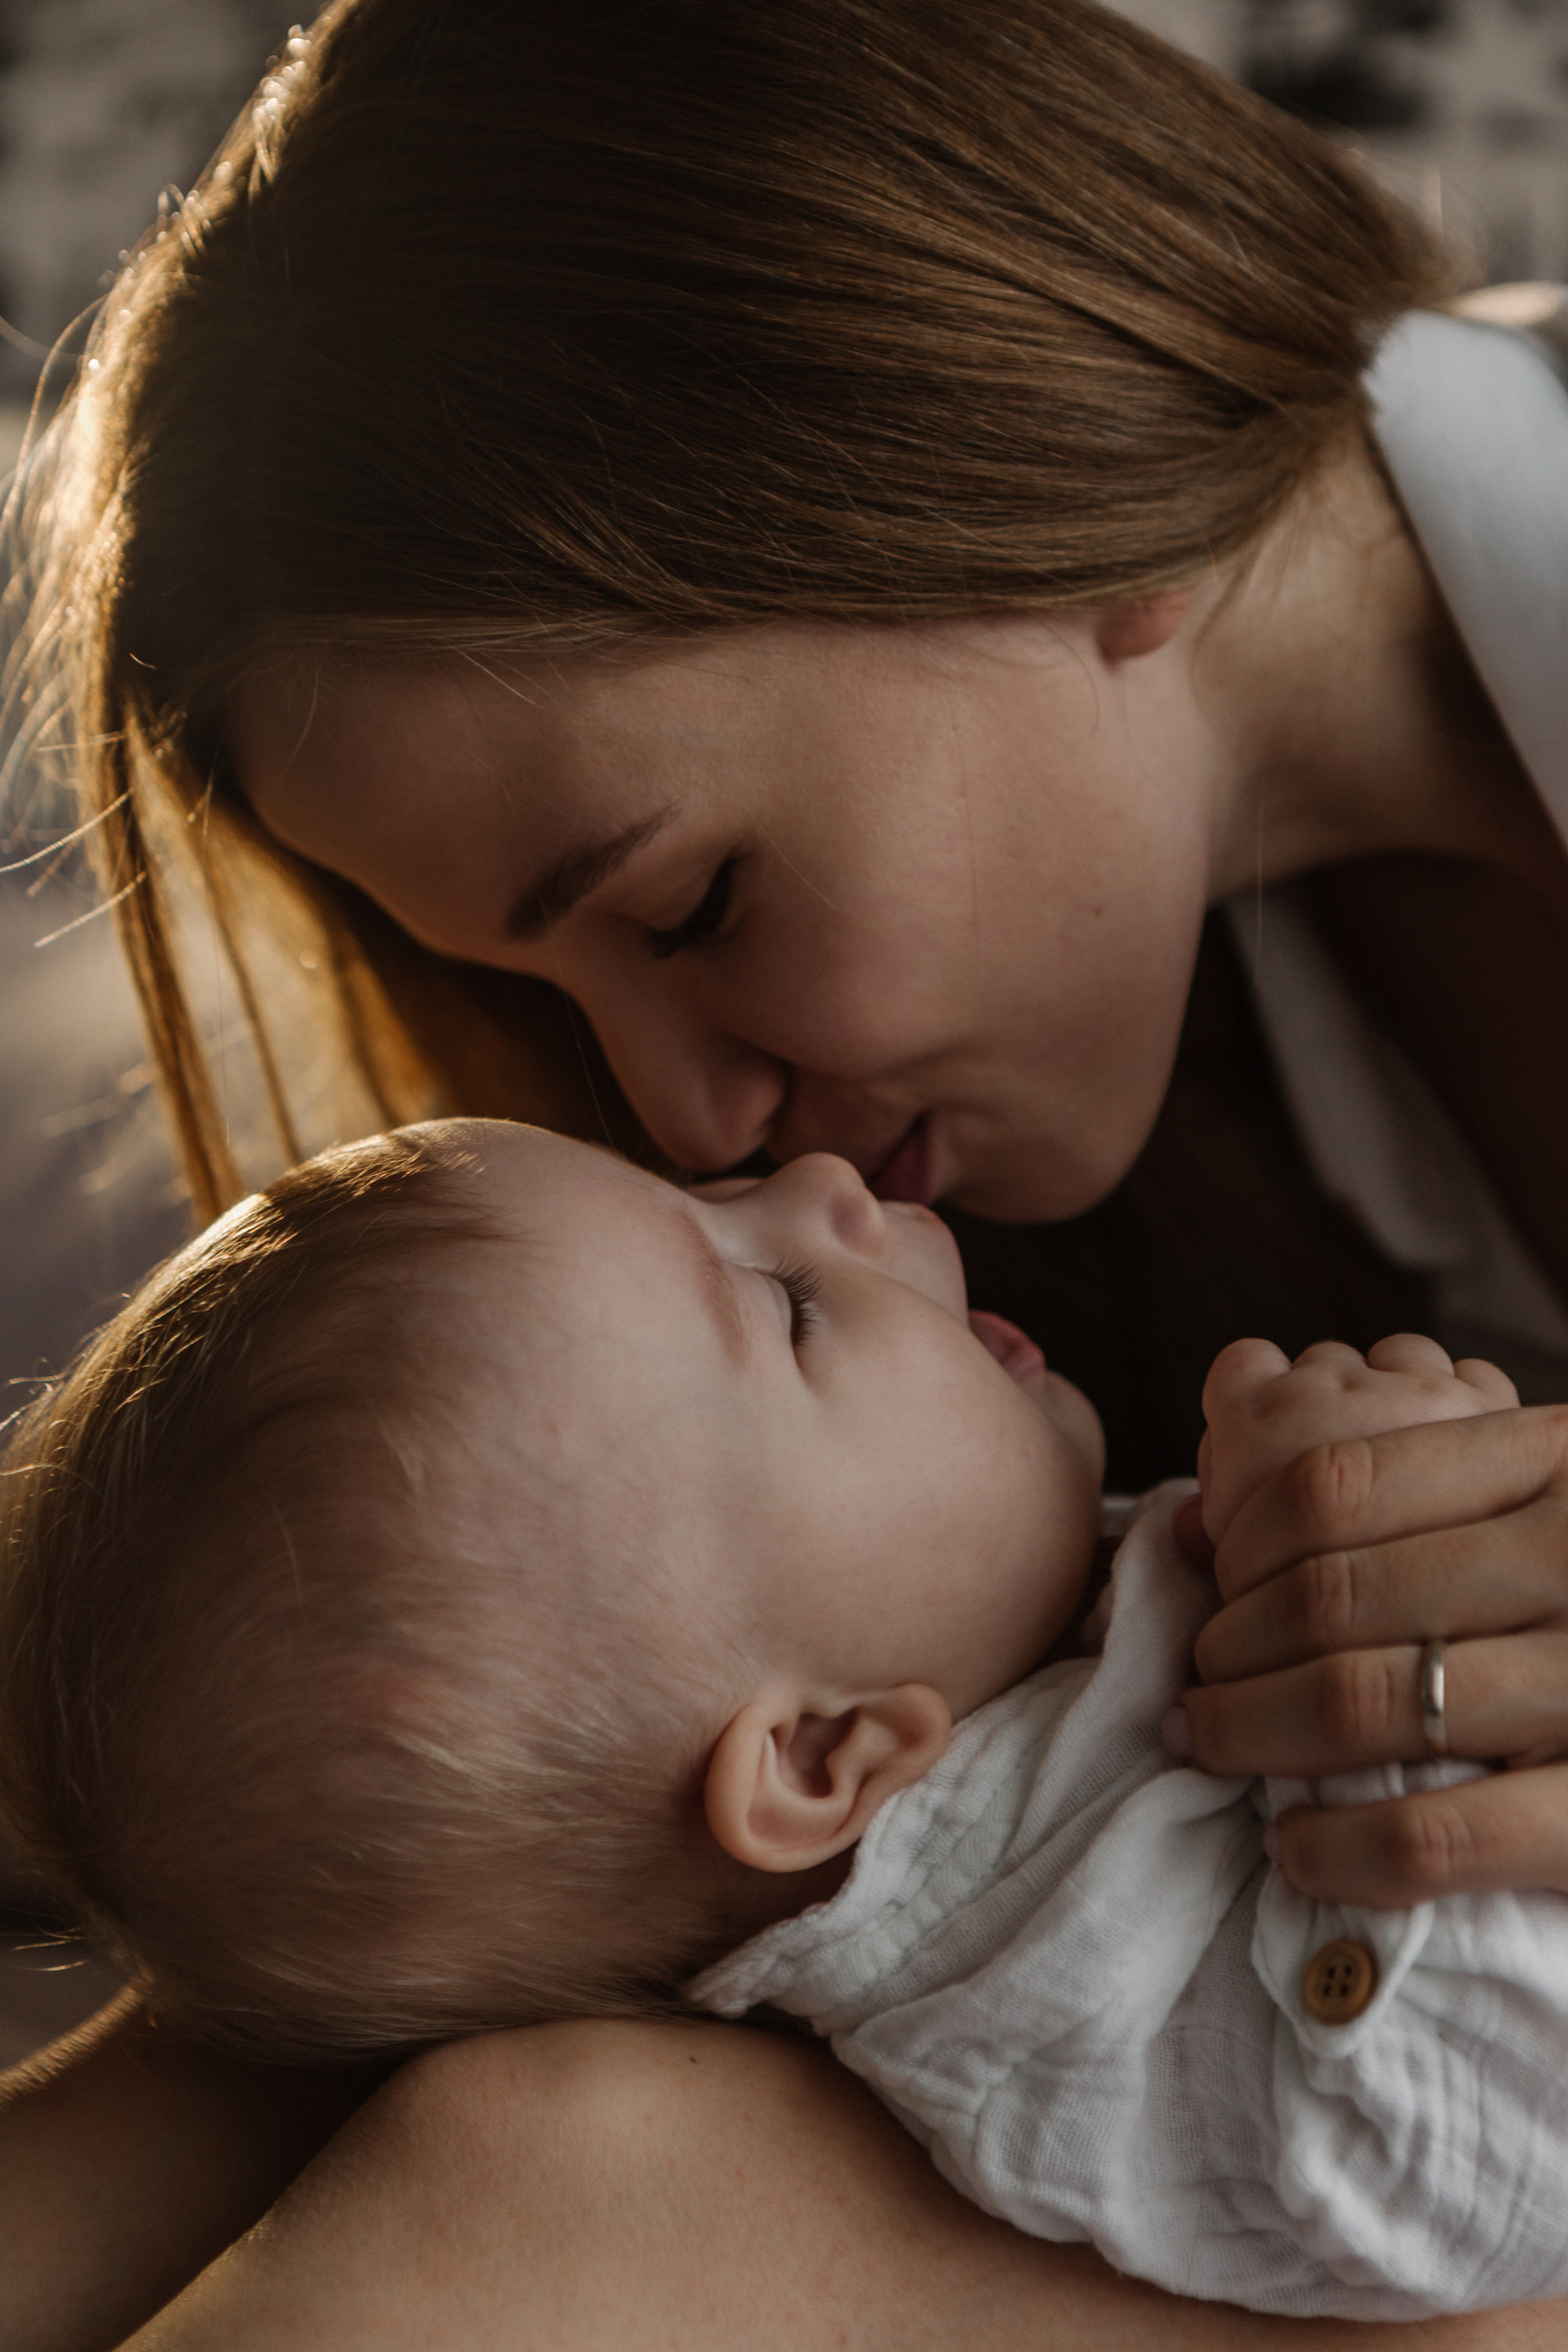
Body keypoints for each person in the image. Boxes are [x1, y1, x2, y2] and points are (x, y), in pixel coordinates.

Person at [6, 0, 1568, 2343]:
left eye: (689, 906)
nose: (695, 1120)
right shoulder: (991, 1299)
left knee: (579, 2180)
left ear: (1009, 475)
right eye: (571, 1013)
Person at [4, 1116, 1564, 2322]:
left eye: (705, 1190)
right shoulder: (1046, 1986)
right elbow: (1459, 2173)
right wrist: (1379, 1646)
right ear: (821, 1756)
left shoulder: (1003, 1702)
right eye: (792, 1306)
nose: (821, 1181)